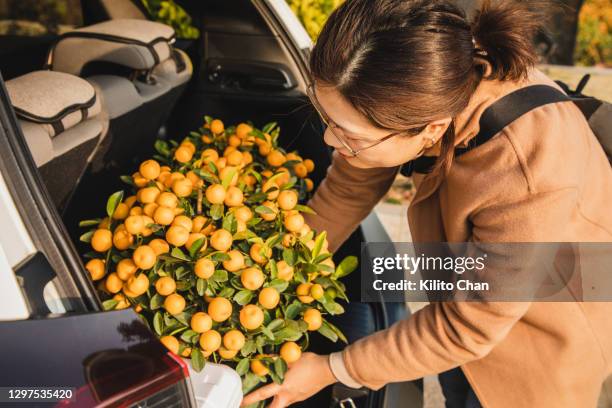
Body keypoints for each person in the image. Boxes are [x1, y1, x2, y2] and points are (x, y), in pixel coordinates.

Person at [242, 0, 612, 407]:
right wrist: (278, 274)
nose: (331, 140)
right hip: (467, 301)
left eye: (348, 134)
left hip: (538, 350)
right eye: (326, 119)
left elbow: (463, 330)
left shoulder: (526, 170)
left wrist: (332, 368)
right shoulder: (419, 86)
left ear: (431, 128)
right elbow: (347, 190)